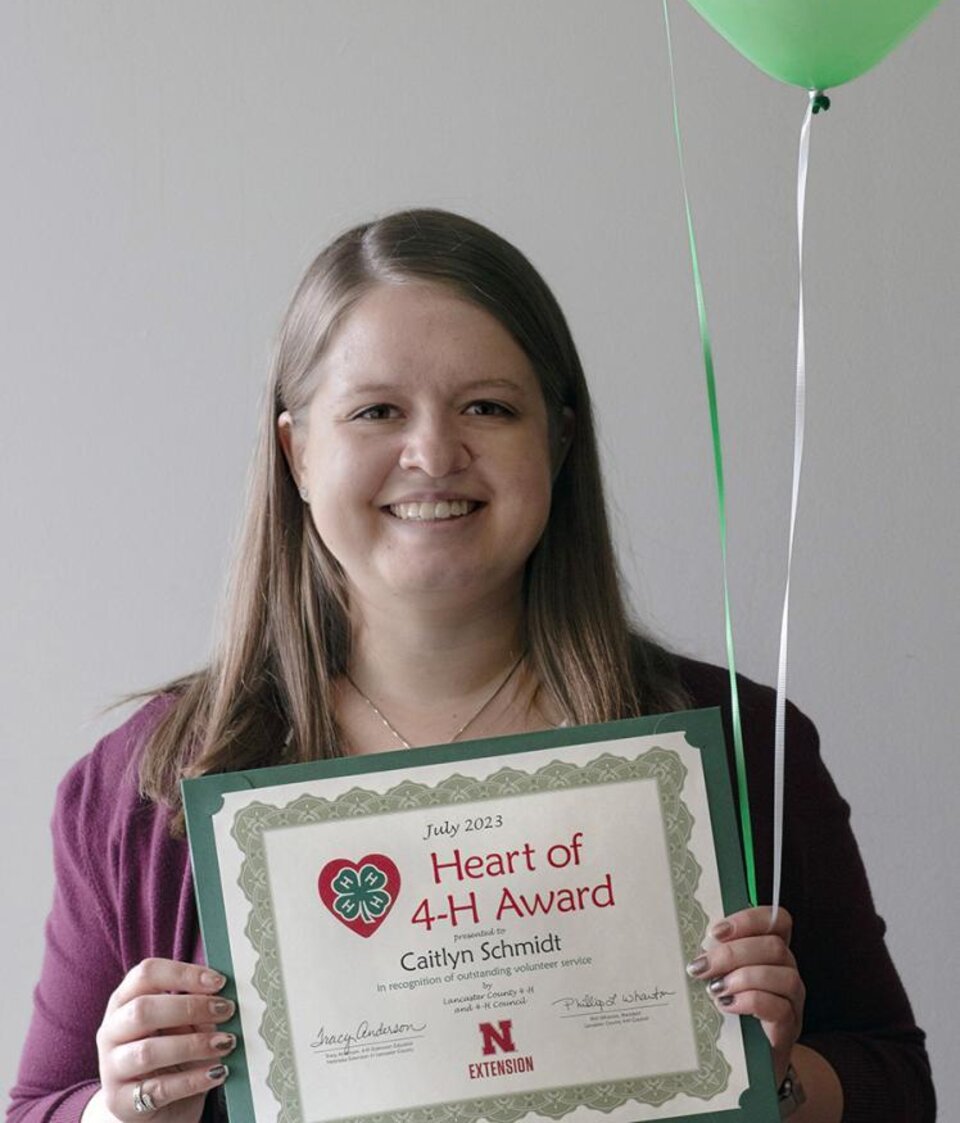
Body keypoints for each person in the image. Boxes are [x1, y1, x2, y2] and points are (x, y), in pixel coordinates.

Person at [9, 209, 934, 1123]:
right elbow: (38, 1106)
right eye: (376, 410)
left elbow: (898, 1084)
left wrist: (776, 1074)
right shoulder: (142, 782)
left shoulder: (741, 747)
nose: (434, 454)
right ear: (295, 450)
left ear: (559, 439)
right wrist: (119, 1111)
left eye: (487, 407)